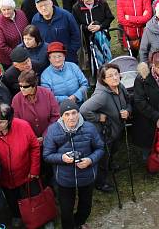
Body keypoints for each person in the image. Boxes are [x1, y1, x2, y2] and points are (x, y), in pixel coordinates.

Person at [43, 99, 103, 229]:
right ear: (61, 116)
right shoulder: (53, 131)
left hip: (87, 175)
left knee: (86, 207)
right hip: (65, 178)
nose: (71, 117)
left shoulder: (89, 128)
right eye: (67, 114)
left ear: (78, 113)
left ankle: (79, 222)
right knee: (66, 211)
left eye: (74, 113)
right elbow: (47, 155)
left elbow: (100, 148)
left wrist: (90, 160)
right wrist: (62, 158)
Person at [80, 64, 132, 193]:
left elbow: (129, 102)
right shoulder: (101, 96)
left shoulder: (120, 86)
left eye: (116, 74)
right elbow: (83, 110)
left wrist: (128, 112)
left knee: (114, 149)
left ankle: (111, 164)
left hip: (116, 129)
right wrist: (98, 117)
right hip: (104, 133)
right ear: (103, 80)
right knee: (103, 157)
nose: (115, 77)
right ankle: (100, 183)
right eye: (110, 76)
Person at [32, 0, 82, 65]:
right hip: (48, 58)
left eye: (45, 4)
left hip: (68, 57)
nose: (43, 8)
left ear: (51, 3)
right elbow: (36, 40)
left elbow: (76, 35)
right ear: (36, 8)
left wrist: (70, 52)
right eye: (40, 6)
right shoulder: (35, 20)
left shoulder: (66, 16)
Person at [0, 0, 28, 70]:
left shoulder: (21, 14)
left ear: (13, 7)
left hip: (24, 50)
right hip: (8, 58)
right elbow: (1, 45)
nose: (6, 12)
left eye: (8, 9)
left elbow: (27, 28)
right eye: (3, 10)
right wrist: (16, 55)